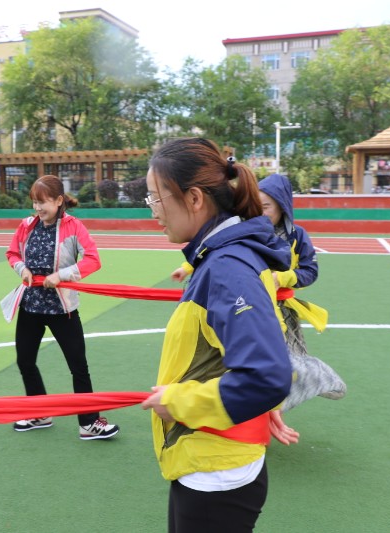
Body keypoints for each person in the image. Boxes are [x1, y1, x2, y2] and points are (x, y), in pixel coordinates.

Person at [140, 138, 292, 532]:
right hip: (213, 460)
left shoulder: (227, 267)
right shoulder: (224, 257)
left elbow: (267, 375)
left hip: (215, 471)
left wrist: (180, 401)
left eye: (156, 198)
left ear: (194, 198)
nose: (153, 210)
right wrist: (254, 402)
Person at [3, 175, 119, 440]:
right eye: (34, 202)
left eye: (42, 202)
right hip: (31, 305)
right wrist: (22, 270)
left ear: (58, 201)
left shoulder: (74, 227)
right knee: (25, 361)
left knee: (78, 366)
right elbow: (12, 253)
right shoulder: (26, 225)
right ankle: (40, 413)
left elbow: (93, 260)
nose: (37, 208)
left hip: (62, 308)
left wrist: (62, 275)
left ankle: (89, 423)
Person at [258, 174, 346, 441]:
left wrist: (284, 278)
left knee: (282, 367)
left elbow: (310, 271)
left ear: (282, 206)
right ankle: (254, 419)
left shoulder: (296, 236)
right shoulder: (249, 230)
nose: (260, 212)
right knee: (251, 363)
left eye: (266, 207)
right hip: (250, 307)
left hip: (281, 312)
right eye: (256, 205)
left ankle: (274, 416)